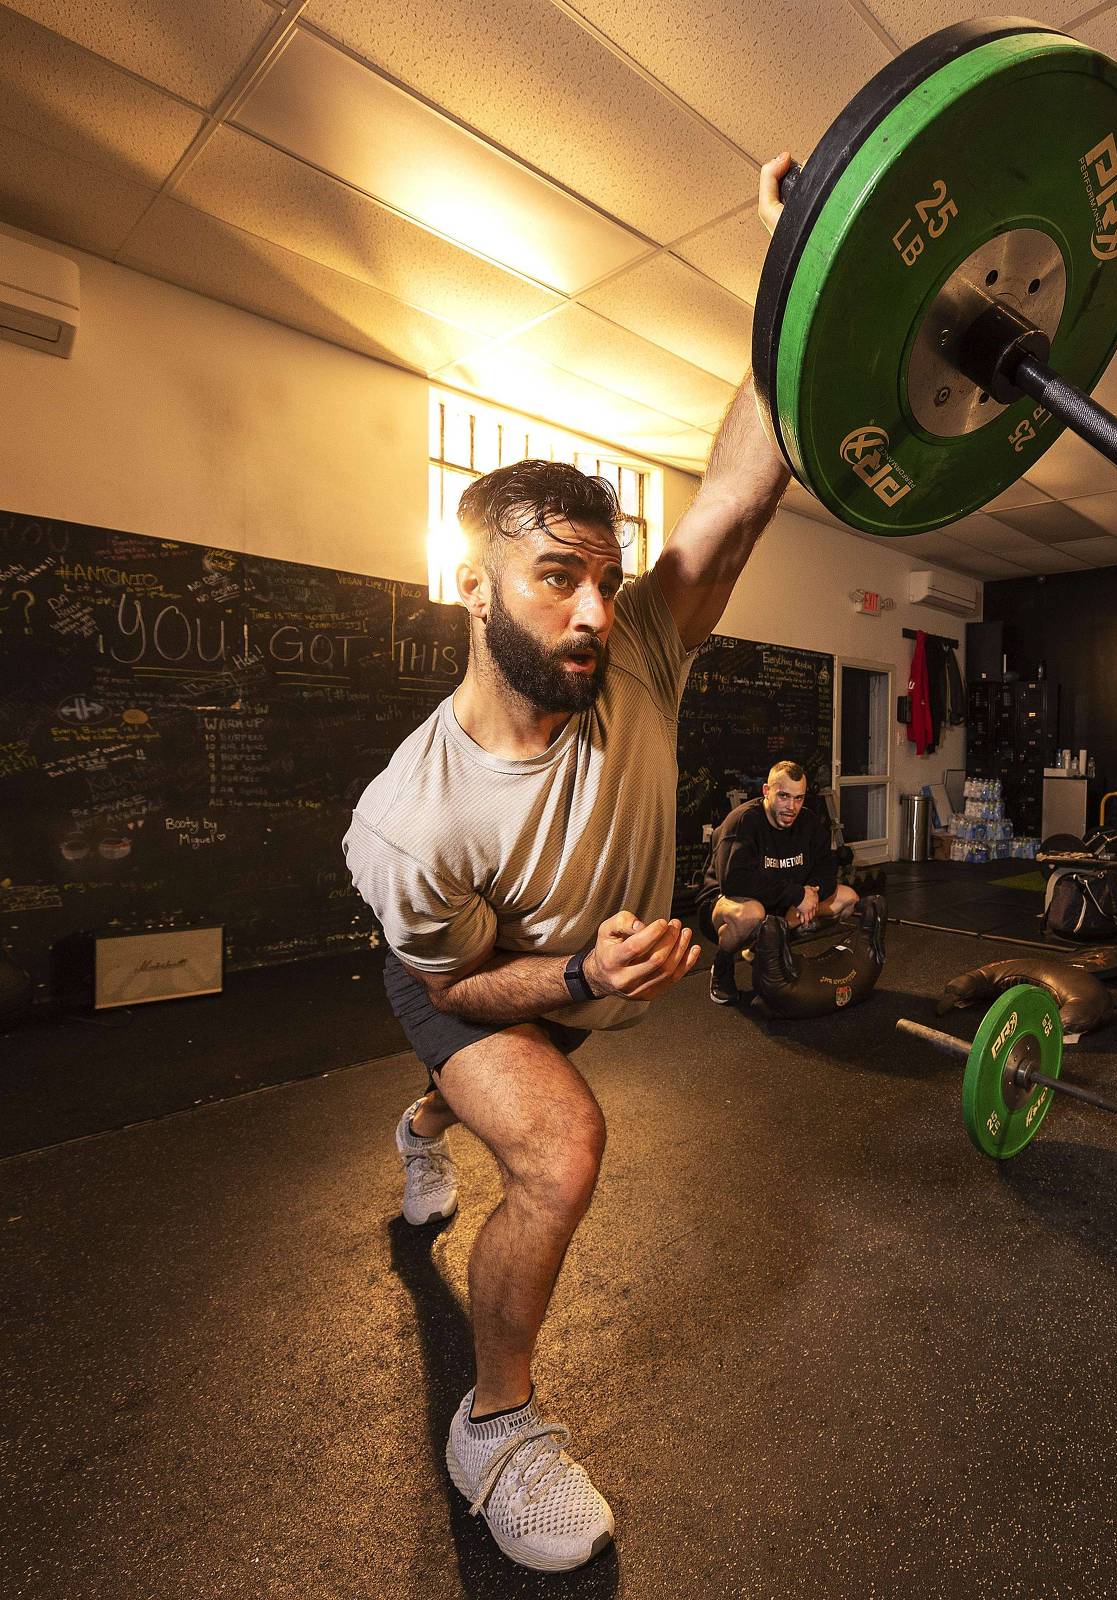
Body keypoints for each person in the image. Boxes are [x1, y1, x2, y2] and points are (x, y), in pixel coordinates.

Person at [341, 156, 794, 1575]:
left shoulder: (643, 649)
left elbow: (735, 497)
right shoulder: (409, 820)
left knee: (480, 1102)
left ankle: (424, 1132)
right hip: (474, 978)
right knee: (557, 1140)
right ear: (474, 584)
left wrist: (793, 274)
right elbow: (467, 990)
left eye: (608, 573)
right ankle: (494, 1425)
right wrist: (580, 971)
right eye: (557, 577)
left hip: (573, 969)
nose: (597, 607)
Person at [700, 760, 859, 1004]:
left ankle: (764, 948)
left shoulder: (808, 822)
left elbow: (827, 865)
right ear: (766, 791)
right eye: (784, 796)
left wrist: (812, 893)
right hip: (725, 904)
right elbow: (734, 882)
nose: (792, 807)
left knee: (848, 899)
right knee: (751, 914)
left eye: (799, 798)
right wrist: (797, 895)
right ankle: (722, 965)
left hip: (780, 903)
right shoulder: (743, 821)